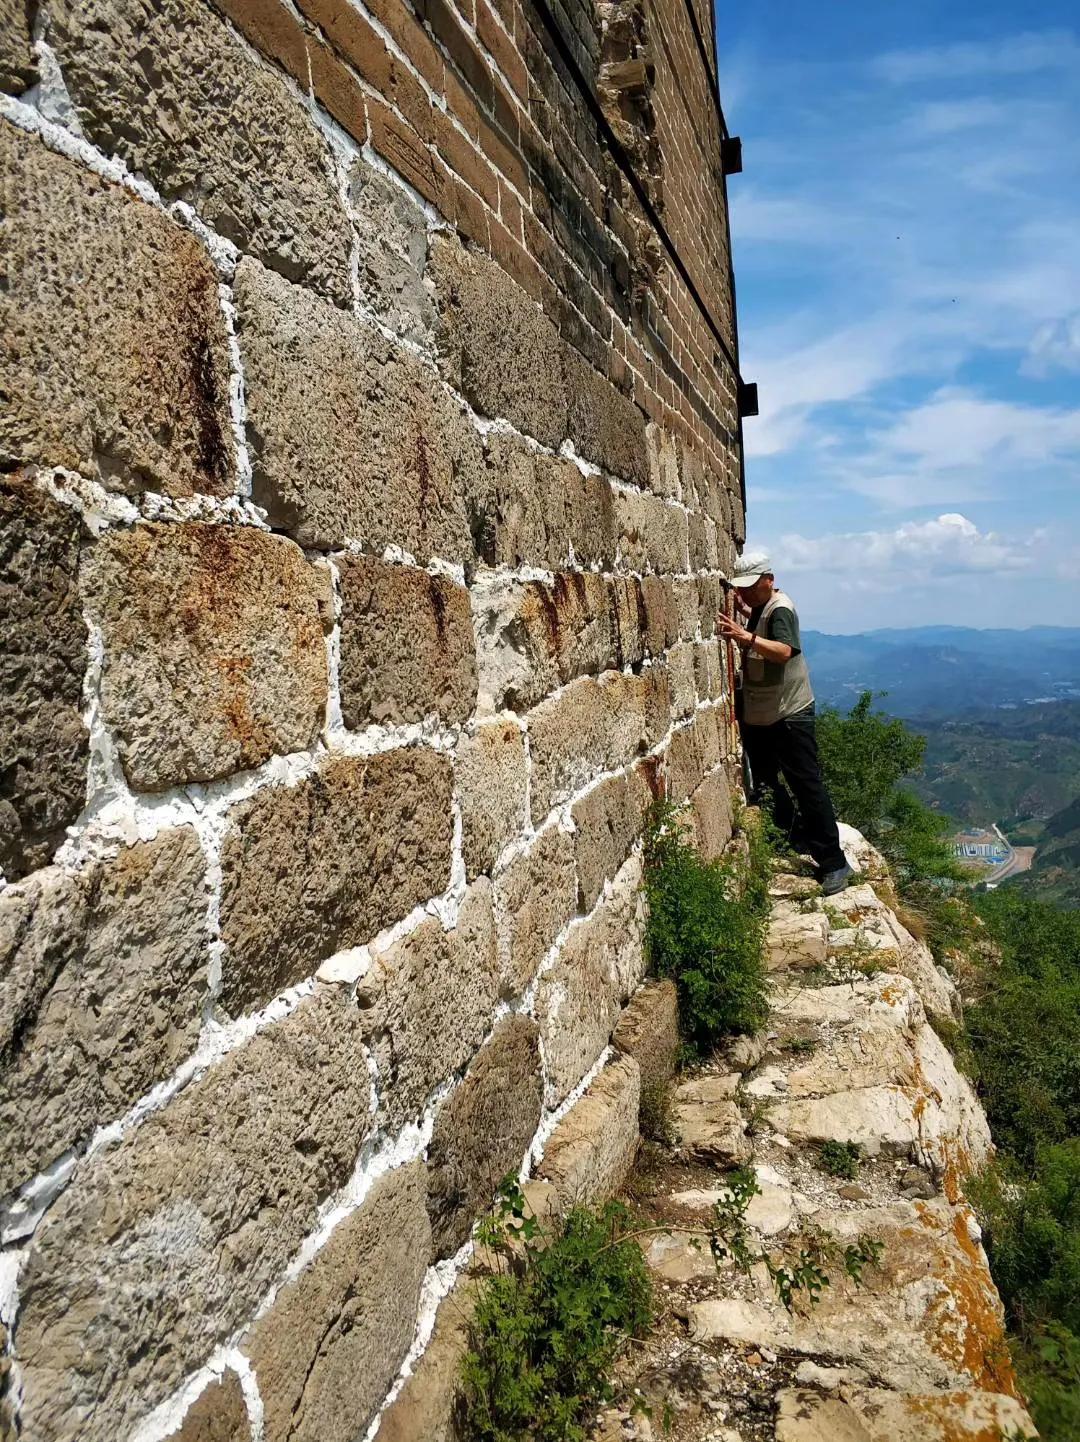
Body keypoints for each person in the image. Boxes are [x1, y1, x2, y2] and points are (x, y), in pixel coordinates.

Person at [716, 554, 852, 895]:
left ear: (768, 579)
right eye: (741, 590)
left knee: (806, 784)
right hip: (766, 713)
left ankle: (834, 863)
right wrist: (748, 619)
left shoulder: (780, 608)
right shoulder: (763, 608)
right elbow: (763, 627)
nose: (745, 595)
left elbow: (783, 651)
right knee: (765, 779)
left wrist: (743, 637)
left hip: (789, 711)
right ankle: (793, 837)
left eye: (749, 588)